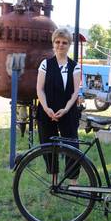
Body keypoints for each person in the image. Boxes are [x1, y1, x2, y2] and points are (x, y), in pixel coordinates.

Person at [36, 28, 82, 184]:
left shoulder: (74, 66)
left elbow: (76, 91)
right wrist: (46, 108)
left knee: (72, 146)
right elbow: (39, 89)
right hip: (47, 111)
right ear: (53, 43)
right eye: (57, 42)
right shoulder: (45, 64)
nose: (60, 45)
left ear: (69, 45)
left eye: (64, 42)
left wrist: (67, 108)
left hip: (67, 111)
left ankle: (73, 183)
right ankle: (54, 182)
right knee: (49, 146)